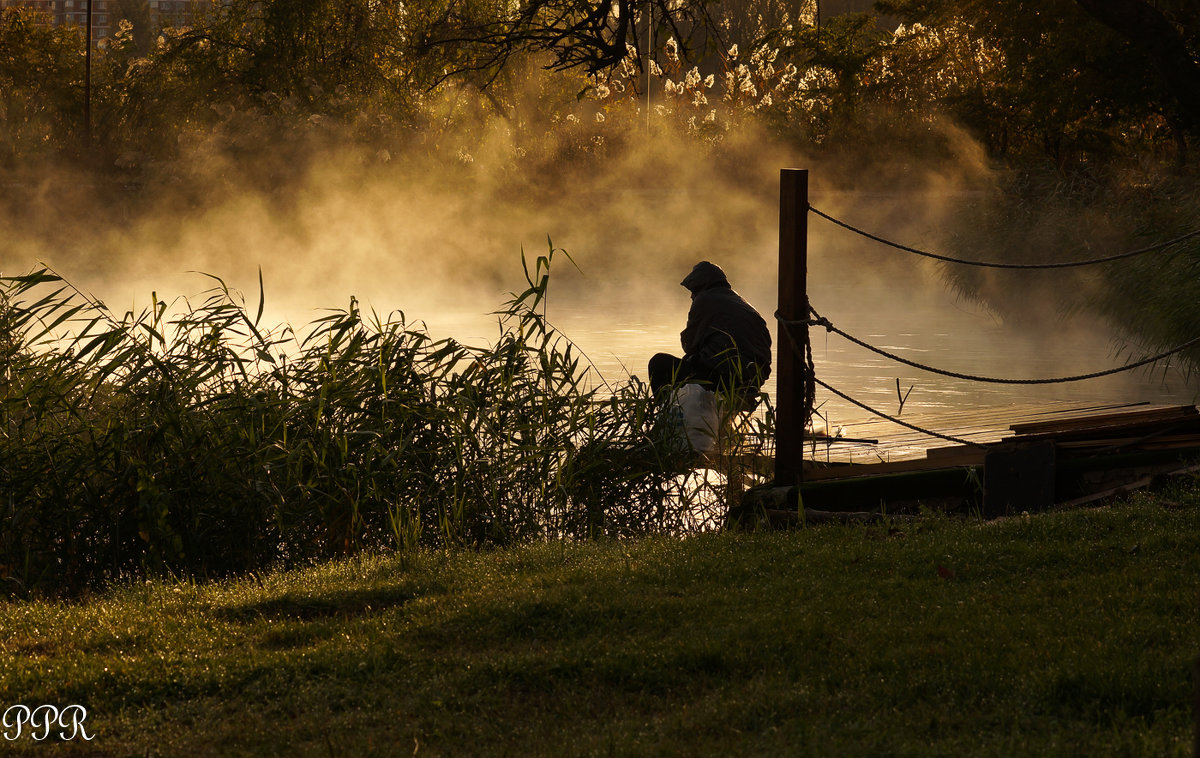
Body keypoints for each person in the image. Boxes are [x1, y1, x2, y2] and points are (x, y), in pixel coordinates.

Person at [648, 261, 772, 408]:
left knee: (659, 363)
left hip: (724, 380)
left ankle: (665, 415)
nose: (691, 296)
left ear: (701, 286)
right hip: (751, 383)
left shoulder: (705, 300)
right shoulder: (742, 303)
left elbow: (689, 345)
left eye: (693, 291)